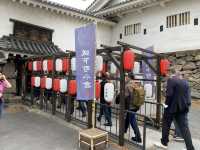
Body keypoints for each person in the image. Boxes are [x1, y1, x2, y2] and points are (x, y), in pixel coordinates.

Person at [155, 71, 195, 150]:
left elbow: (169, 95)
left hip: (171, 108)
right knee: (185, 128)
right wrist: (186, 106)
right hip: (182, 108)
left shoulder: (171, 80)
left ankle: (164, 142)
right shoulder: (186, 82)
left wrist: (166, 104)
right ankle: (190, 148)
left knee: (166, 125)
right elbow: (187, 97)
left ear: (172, 74)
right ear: (180, 75)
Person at [124, 73, 142, 143]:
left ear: (128, 77)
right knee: (128, 117)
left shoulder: (128, 85)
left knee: (132, 120)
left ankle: (138, 137)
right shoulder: (136, 84)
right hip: (136, 105)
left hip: (130, 106)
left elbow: (125, 96)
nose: (125, 78)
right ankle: (124, 129)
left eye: (126, 77)